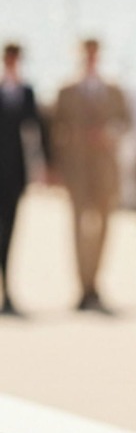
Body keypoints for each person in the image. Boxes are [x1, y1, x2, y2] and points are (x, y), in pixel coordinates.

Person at [50, 36, 132, 313]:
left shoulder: (113, 91)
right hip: (77, 172)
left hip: (105, 171)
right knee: (78, 228)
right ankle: (82, 285)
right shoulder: (66, 91)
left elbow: (125, 123)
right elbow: (54, 131)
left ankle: (95, 281)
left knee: (104, 227)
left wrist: (107, 134)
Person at [0, 41, 53, 317]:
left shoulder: (26, 91)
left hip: (15, 173)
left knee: (10, 230)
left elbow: (38, 131)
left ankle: (7, 288)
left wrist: (46, 167)